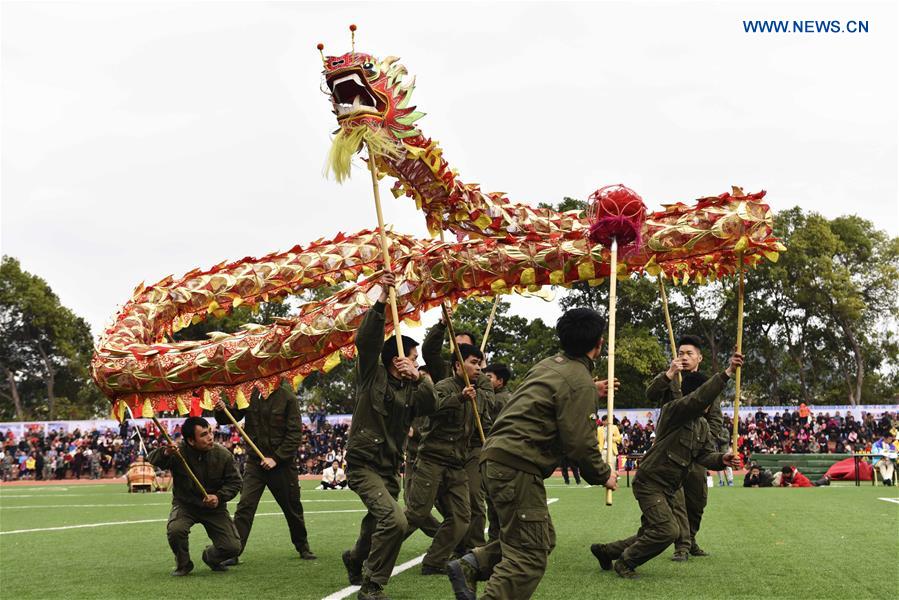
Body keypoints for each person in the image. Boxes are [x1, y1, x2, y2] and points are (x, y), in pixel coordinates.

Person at [447, 307, 618, 600]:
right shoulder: (579, 381)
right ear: (599, 343)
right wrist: (604, 475)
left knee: (541, 538)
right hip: (518, 464)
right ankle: (474, 569)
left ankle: (473, 564)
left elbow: (555, 395)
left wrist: (588, 389)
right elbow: (580, 444)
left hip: (496, 457)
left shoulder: (548, 365)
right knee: (529, 554)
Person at [591, 352, 743, 579]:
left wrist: (722, 459)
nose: (710, 404)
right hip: (651, 483)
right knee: (668, 531)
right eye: (708, 399)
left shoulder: (701, 426)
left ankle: (606, 552)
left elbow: (704, 456)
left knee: (650, 533)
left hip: (668, 487)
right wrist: (728, 372)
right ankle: (625, 563)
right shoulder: (675, 411)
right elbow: (697, 398)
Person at [341, 272, 437, 600]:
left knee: (375, 523)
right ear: (397, 358)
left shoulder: (413, 387)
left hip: (390, 466)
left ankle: (355, 558)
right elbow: (366, 341)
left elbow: (432, 405)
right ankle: (372, 585)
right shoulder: (372, 375)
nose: (416, 363)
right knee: (395, 522)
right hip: (364, 464)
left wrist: (419, 378)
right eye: (413, 358)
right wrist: (382, 299)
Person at [405, 343, 488, 575]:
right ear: (458, 366)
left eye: (480, 364)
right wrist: (460, 398)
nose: (479, 368)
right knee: (416, 515)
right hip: (432, 460)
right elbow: (432, 408)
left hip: (457, 463)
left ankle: (434, 562)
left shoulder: (478, 392)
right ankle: (370, 552)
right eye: (473, 363)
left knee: (462, 517)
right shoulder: (443, 387)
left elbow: (485, 417)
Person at [214, 380, 316, 562]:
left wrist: (276, 458)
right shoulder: (248, 395)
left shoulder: (288, 398)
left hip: (282, 465)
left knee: (292, 507)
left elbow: (294, 434)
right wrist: (221, 409)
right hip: (255, 464)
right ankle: (234, 551)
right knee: (245, 506)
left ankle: (303, 546)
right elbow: (229, 417)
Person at [646, 335, 725, 561]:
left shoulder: (708, 385)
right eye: (681, 353)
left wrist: (703, 442)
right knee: (678, 501)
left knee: (698, 500)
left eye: (689, 353)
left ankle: (691, 538)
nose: (684, 357)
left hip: (696, 452)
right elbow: (650, 395)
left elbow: (715, 419)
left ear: (699, 357)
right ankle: (682, 546)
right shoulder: (670, 379)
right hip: (670, 453)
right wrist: (669, 373)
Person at [422, 316, 494, 557]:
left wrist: (475, 384)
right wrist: (441, 325)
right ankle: (455, 540)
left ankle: (474, 548)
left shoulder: (481, 377)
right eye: (456, 344)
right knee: (439, 503)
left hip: (473, 445)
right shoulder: (444, 372)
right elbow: (429, 350)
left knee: (473, 496)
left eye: (465, 345)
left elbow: (488, 403)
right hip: (443, 448)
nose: (459, 346)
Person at [147, 416, 242, 575]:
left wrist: (218, 497)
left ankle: (211, 557)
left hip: (214, 508)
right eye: (204, 435)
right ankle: (183, 564)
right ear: (191, 441)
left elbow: (235, 482)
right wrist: (166, 452)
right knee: (176, 530)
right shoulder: (178, 452)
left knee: (233, 548)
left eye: (210, 432)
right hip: (186, 505)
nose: (210, 437)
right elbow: (153, 459)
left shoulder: (223, 455)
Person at [482, 363, 512, 541]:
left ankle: (497, 543)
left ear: (500, 381)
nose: (484, 380)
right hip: (501, 455)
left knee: (496, 504)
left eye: (489, 377)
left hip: (498, 456)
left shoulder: (499, 400)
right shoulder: (507, 397)